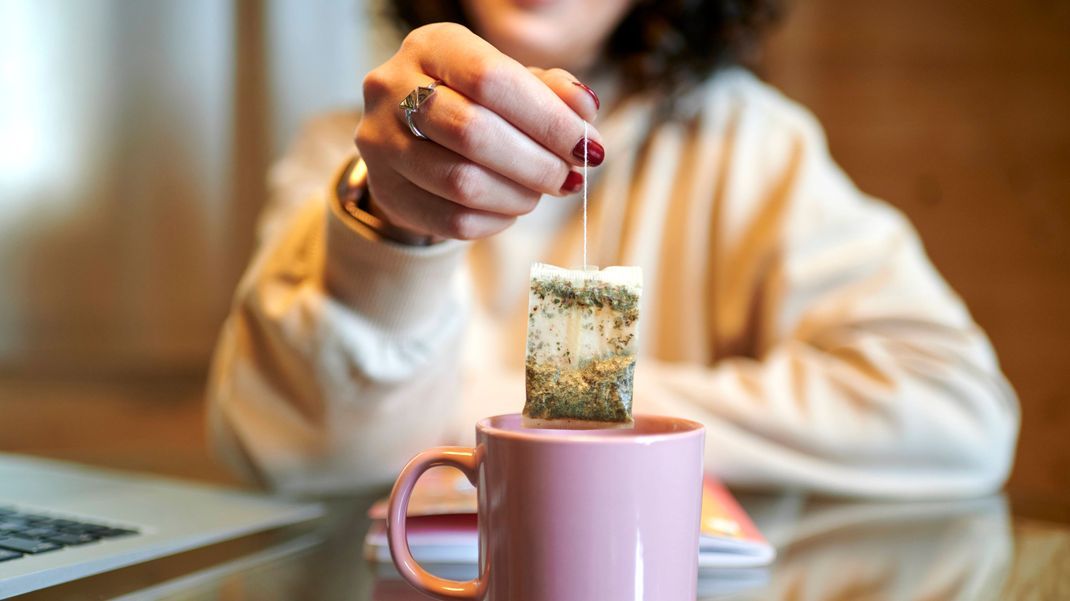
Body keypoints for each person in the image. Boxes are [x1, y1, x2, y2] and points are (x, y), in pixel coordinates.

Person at [207, 0, 1019, 497]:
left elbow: (957, 409)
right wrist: (386, 216)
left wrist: (538, 413)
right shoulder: (348, 145)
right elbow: (276, 441)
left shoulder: (749, 145)